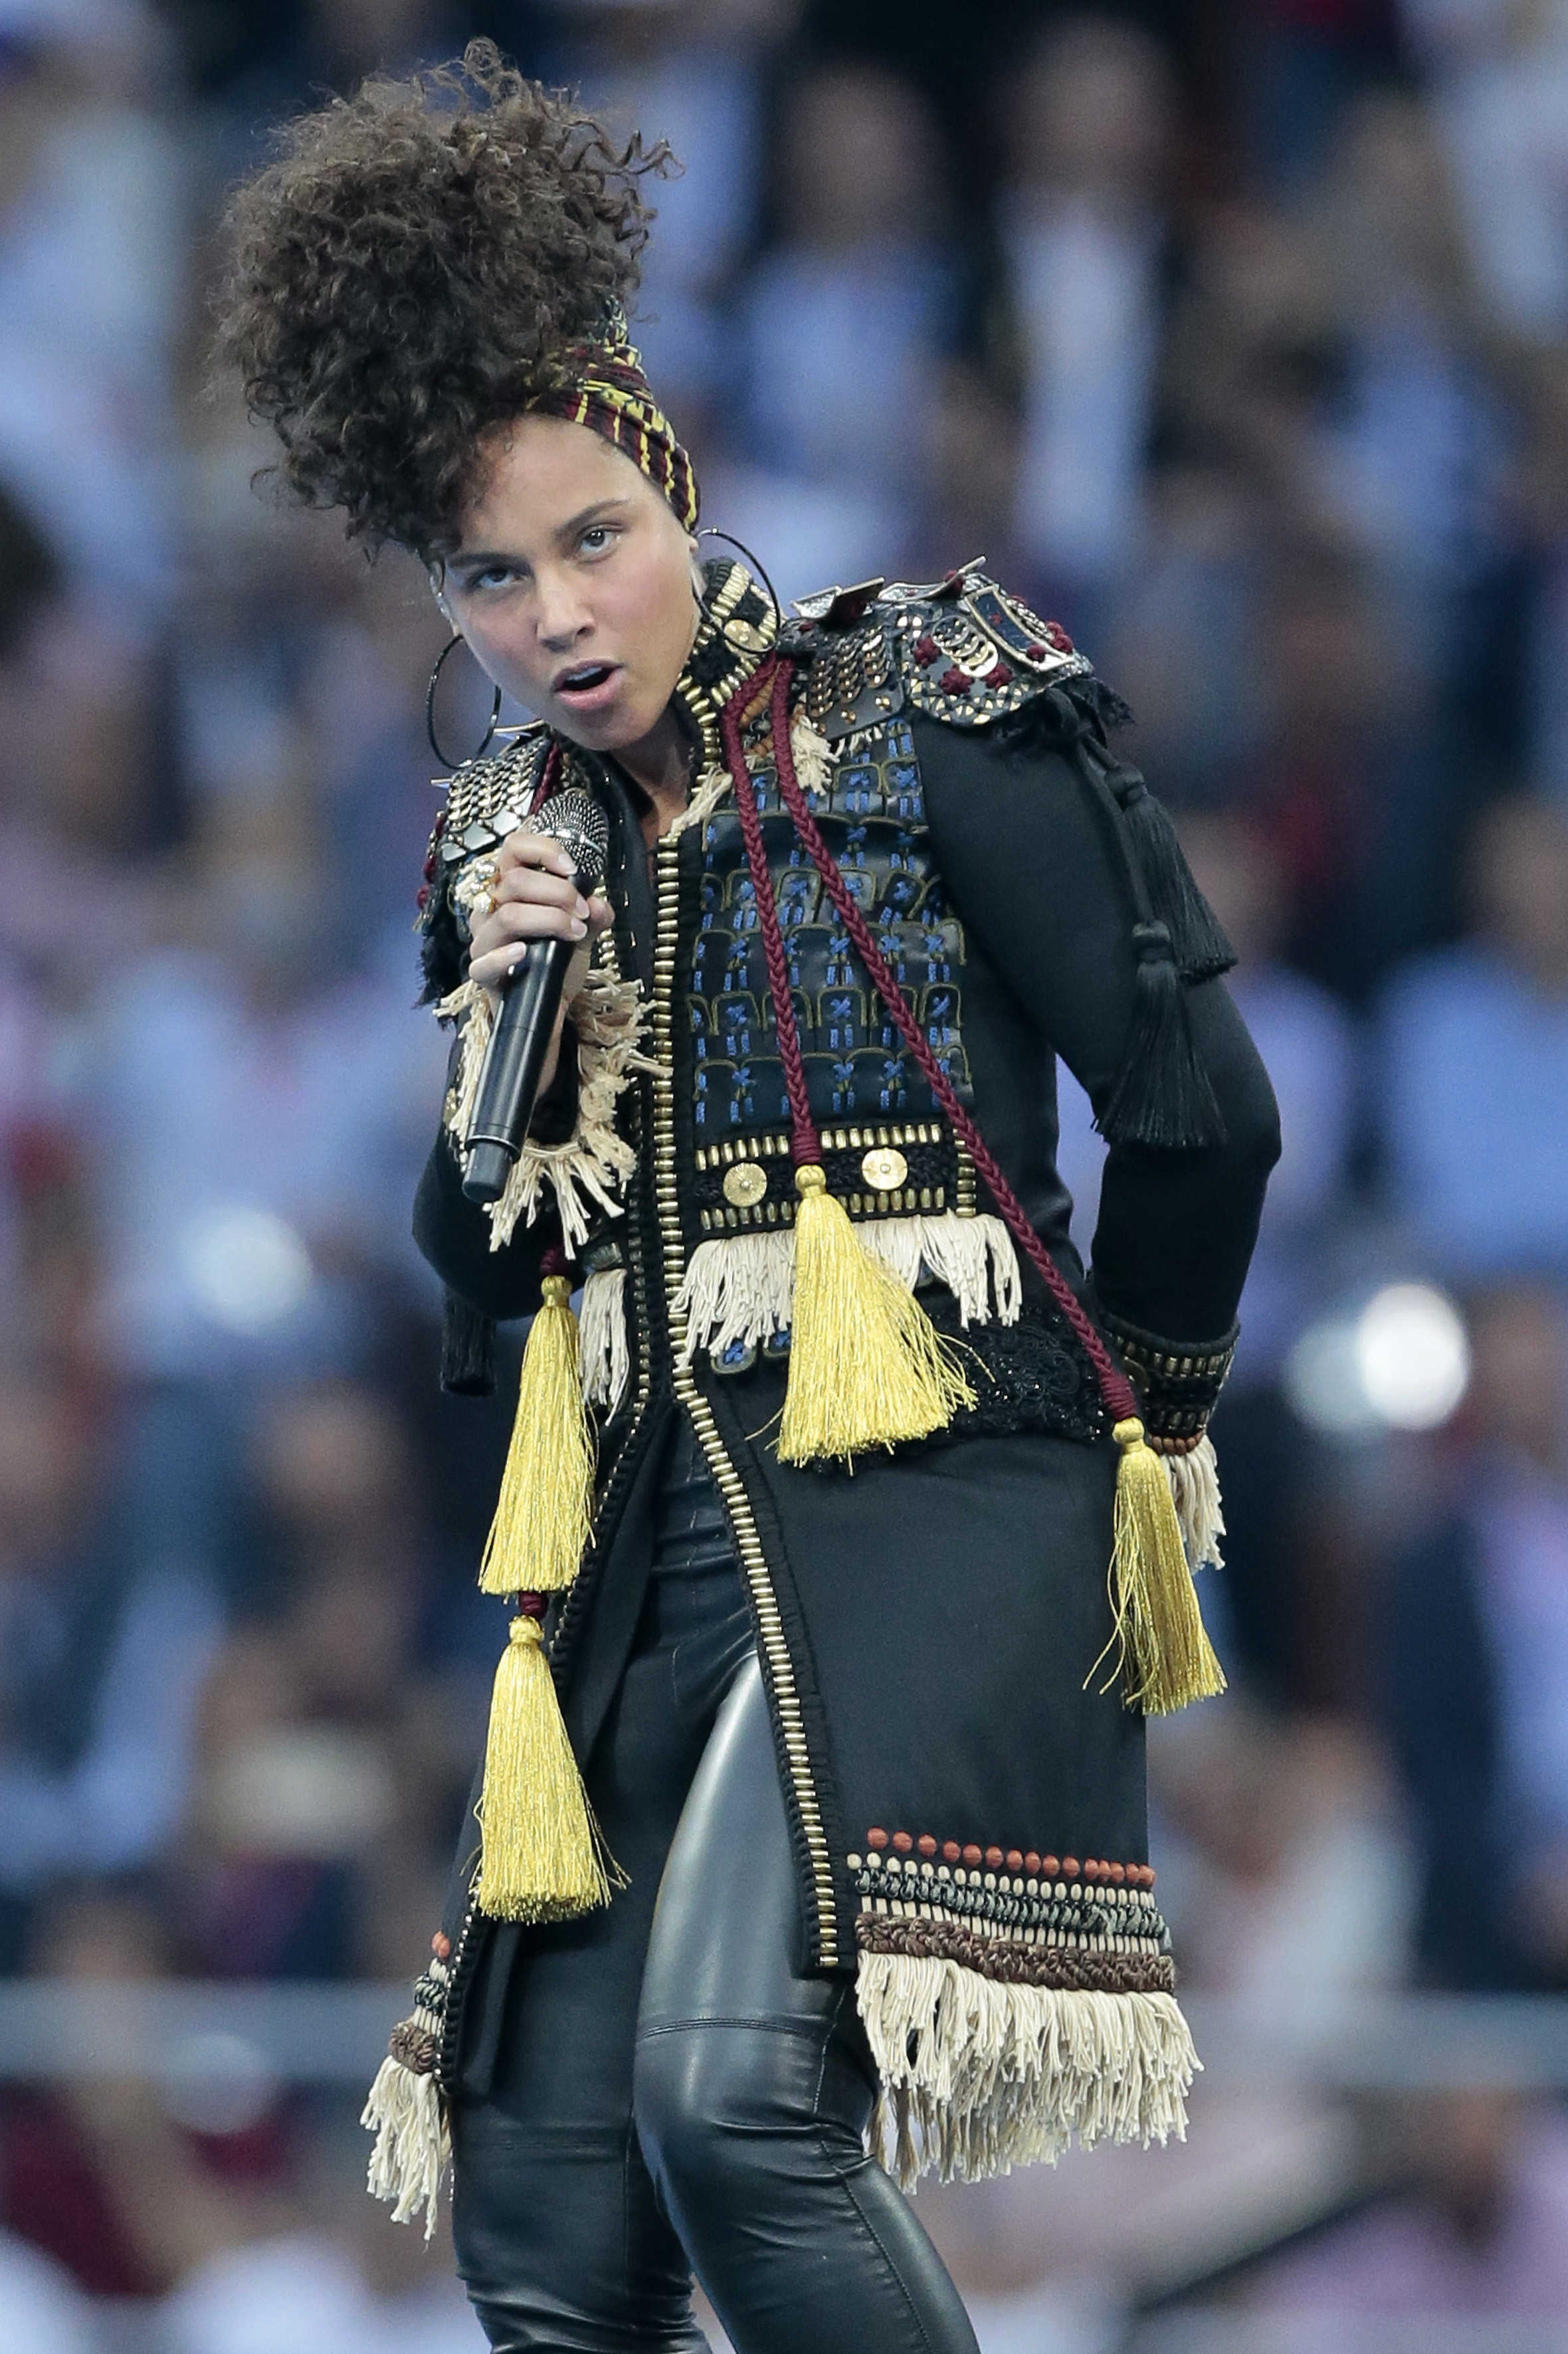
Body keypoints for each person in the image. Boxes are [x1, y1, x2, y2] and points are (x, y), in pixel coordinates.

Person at [215, 44, 1280, 2354]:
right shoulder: (500, 850)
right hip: (637, 1552)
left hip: (935, 1492)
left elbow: (1199, 1111)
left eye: (593, 539)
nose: (556, 615)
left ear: (678, 496)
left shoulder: (930, 695)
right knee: (541, 2237)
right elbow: (484, 1307)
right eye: (489, 579)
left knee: (729, 2103)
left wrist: (1144, 1426)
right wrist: (497, 1052)